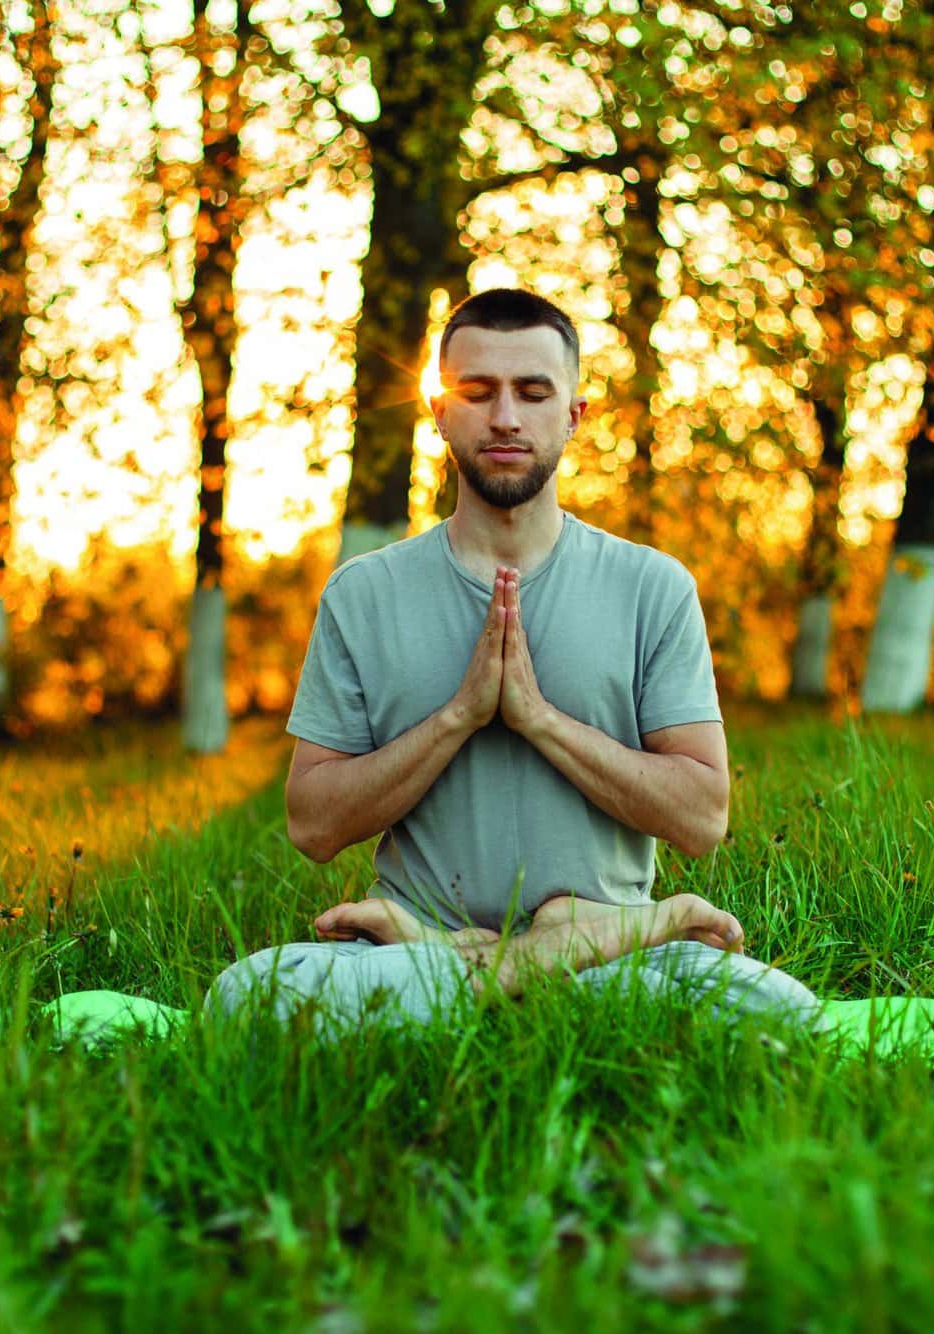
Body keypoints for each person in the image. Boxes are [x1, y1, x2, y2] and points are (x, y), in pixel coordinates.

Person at [205, 289, 825, 1038]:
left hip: (597, 965)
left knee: (781, 1013)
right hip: (415, 961)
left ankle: (511, 963)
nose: (505, 417)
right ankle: (551, 954)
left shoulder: (652, 587)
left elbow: (701, 817)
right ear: (438, 412)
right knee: (245, 996)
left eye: (534, 393)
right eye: (478, 392)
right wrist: (459, 717)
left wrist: (539, 721)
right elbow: (311, 824)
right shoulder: (363, 594)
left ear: (574, 414)